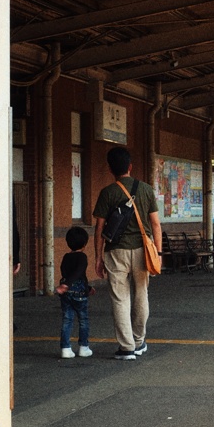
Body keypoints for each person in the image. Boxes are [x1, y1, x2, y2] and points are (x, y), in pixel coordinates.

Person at [92, 146, 162, 361]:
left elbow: (100, 228)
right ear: (130, 167)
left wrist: (98, 257)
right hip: (143, 249)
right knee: (141, 293)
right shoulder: (147, 190)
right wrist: (158, 252)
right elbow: (156, 225)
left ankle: (126, 347)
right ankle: (139, 341)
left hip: (116, 252)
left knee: (120, 298)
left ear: (110, 168)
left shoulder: (107, 193)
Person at [57, 226, 94, 359]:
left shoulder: (66, 256)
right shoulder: (82, 257)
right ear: (84, 244)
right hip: (79, 294)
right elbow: (79, 274)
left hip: (66, 294)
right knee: (83, 319)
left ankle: (65, 348)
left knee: (67, 320)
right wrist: (87, 288)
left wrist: (65, 285)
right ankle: (84, 347)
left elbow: (65, 272)